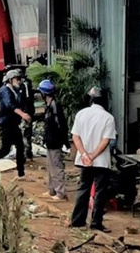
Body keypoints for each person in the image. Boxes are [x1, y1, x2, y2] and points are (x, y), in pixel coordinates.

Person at [69, 87, 117, 232]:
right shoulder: (108, 117)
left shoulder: (81, 114)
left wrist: (84, 155)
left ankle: (77, 221)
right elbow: (105, 141)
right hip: (101, 161)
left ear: (91, 99)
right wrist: (93, 156)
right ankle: (96, 223)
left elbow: (75, 137)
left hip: (84, 161)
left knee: (83, 188)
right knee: (100, 192)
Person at [38, 79, 68, 201]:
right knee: (50, 166)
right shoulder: (49, 106)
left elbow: (61, 125)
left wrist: (64, 140)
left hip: (55, 141)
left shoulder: (55, 106)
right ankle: (52, 190)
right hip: (50, 141)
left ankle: (60, 193)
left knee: (56, 166)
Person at [19, 71, 36, 160]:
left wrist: (25, 113)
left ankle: (26, 154)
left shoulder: (25, 85)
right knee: (25, 134)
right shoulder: (24, 84)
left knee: (25, 134)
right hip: (23, 113)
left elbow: (28, 99)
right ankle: (27, 154)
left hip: (25, 113)